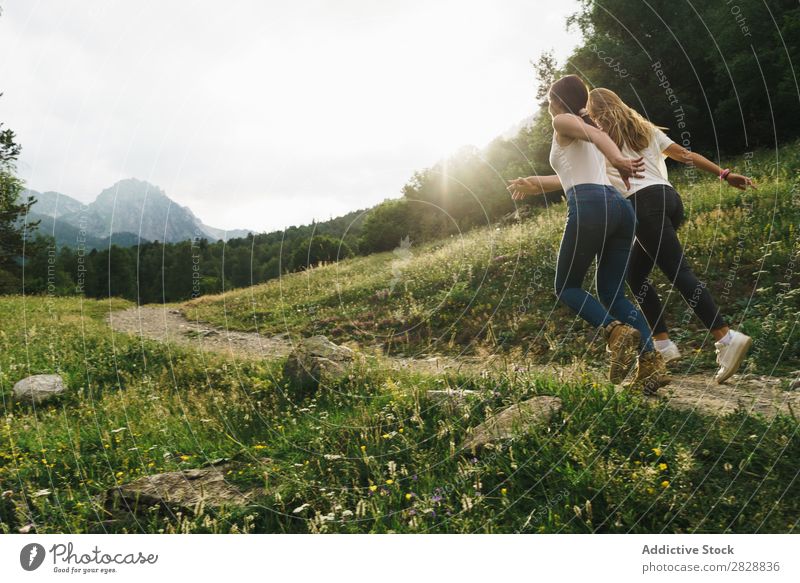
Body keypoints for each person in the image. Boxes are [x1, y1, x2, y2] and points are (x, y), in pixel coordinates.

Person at [508, 75, 670, 393]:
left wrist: (619, 160)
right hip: (620, 210)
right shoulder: (584, 126)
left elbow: (596, 144)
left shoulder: (563, 120)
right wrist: (534, 182)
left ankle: (614, 331)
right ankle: (651, 365)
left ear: (557, 100)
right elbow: (570, 175)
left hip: (591, 206)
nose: (548, 108)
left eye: (549, 102)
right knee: (613, 295)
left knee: (566, 286)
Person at [586, 87, 755, 384]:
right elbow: (684, 155)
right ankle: (663, 345)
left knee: (679, 273)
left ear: (595, 112)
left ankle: (726, 338)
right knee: (636, 275)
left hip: (643, 206)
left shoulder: (599, 139)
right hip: (669, 199)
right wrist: (724, 174)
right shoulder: (642, 128)